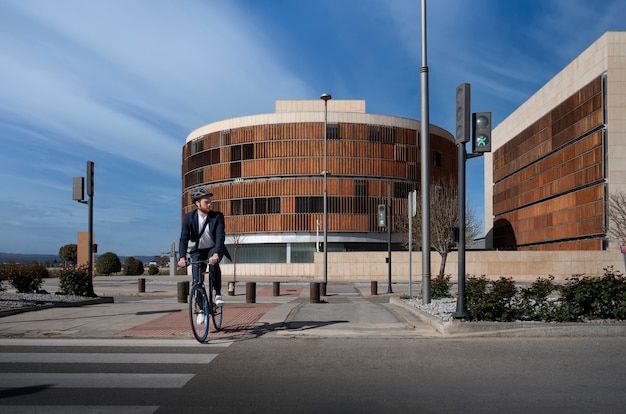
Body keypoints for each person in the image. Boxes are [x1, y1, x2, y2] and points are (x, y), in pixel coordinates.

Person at [178, 187, 231, 307]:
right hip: (199, 250)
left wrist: (216, 253)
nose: (209, 204)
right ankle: (201, 309)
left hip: (213, 248)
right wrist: (182, 257)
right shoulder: (189, 218)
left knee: (213, 264)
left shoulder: (217, 216)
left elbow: (220, 236)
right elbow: (184, 239)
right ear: (197, 203)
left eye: (210, 201)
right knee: (196, 279)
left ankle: (217, 294)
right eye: (206, 202)